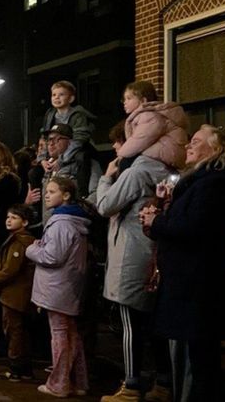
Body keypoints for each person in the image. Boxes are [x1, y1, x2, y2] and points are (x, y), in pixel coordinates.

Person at [140, 125, 225, 402]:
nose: (188, 146)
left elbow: (194, 229)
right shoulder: (200, 183)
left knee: (200, 364)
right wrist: (158, 215)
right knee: (196, 359)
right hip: (189, 286)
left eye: (196, 141)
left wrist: (157, 222)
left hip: (197, 288)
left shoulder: (214, 185)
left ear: (216, 149)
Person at [95, 121, 172, 401]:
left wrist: (106, 179)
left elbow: (105, 206)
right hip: (153, 254)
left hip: (130, 255)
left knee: (131, 324)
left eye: (119, 142)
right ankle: (163, 382)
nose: (116, 148)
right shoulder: (165, 171)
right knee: (154, 325)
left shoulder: (134, 173)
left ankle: (131, 385)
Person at [25, 176, 91, 397]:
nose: (46, 195)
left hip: (57, 286)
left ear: (66, 195)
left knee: (60, 334)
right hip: (68, 285)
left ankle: (59, 383)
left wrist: (32, 250)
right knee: (72, 334)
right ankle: (79, 382)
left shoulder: (61, 223)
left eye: (52, 192)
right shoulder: (74, 221)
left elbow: (52, 256)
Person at [0, 204, 36, 382]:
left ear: (25, 222)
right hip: (17, 294)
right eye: (8, 217)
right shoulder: (18, 240)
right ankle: (24, 368)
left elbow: (11, 269)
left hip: (15, 294)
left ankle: (17, 368)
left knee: (14, 331)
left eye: (14, 218)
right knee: (20, 331)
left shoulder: (20, 242)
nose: (9, 220)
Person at [117, 81, 188, 171]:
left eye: (129, 98)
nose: (125, 102)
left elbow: (140, 140)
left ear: (143, 101)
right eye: (124, 99)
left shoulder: (149, 116)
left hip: (166, 158)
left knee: (125, 164)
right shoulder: (143, 116)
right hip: (164, 157)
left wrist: (121, 155)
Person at [38, 80, 95, 165]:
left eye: (61, 94)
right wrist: (42, 159)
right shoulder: (50, 115)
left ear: (71, 99)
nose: (57, 97)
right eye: (54, 95)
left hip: (76, 154)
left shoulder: (78, 115)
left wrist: (61, 160)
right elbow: (45, 138)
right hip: (57, 154)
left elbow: (78, 140)